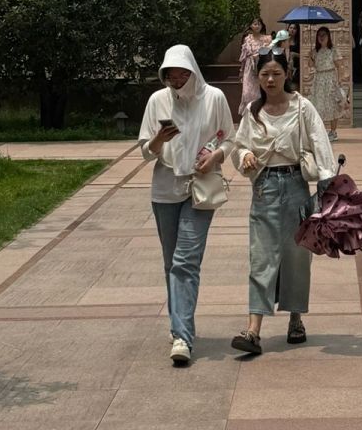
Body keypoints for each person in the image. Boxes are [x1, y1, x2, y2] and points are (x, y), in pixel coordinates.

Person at [230, 46, 337, 355]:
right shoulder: (252, 112)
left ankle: (295, 318)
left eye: (276, 73)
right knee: (261, 256)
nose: (270, 80)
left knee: (296, 255)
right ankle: (253, 330)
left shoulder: (302, 107)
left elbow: (319, 141)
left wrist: (327, 182)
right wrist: (245, 154)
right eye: (265, 74)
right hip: (264, 188)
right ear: (257, 77)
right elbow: (238, 146)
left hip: (295, 185)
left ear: (287, 74)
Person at [139, 44, 233, 366]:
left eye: (182, 74)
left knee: (186, 261)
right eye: (170, 76)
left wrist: (215, 156)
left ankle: (183, 337)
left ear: (193, 72)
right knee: (171, 262)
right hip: (165, 189)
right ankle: (177, 322)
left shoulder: (214, 98)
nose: (177, 81)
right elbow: (145, 151)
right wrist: (159, 139)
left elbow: (230, 139)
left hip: (200, 189)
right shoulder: (158, 100)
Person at [308, 26, 345, 141]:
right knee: (318, 104)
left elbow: (340, 66)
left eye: (324, 35)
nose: (321, 37)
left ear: (328, 36)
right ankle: (321, 131)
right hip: (319, 79)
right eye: (319, 35)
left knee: (332, 105)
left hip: (330, 79)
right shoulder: (315, 51)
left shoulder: (333, 50)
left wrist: (340, 80)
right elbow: (311, 65)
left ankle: (333, 131)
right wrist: (310, 57)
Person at [238, 16, 273, 114]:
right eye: (255, 24)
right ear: (251, 26)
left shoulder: (267, 39)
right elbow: (244, 57)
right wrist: (241, 71)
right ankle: (248, 113)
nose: (257, 26)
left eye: (259, 24)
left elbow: (270, 53)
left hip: (262, 67)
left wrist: (260, 55)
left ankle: (261, 113)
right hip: (249, 68)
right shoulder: (247, 39)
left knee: (260, 92)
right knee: (247, 93)